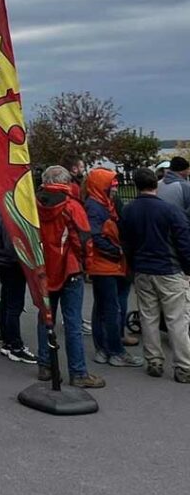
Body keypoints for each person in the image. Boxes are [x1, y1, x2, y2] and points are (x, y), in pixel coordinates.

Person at [35, 166, 105, 388]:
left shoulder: (32, 205)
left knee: (45, 318)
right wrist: (88, 265)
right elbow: (83, 240)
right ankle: (78, 372)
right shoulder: (71, 206)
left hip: (43, 268)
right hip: (68, 267)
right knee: (72, 322)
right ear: (66, 182)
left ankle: (45, 365)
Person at [120, 166, 190, 383]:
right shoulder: (170, 211)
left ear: (136, 185)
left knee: (148, 317)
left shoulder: (128, 211)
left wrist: (133, 265)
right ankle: (183, 366)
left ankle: (154, 360)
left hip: (143, 269)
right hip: (168, 269)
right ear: (155, 185)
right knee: (177, 319)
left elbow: (126, 243)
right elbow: (183, 242)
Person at [84, 168, 138, 369]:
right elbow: (96, 237)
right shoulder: (96, 207)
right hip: (105, 264)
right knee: (111, 308)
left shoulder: (101, 203)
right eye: (112, 185)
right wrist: (119, 251)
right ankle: (115, 352)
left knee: (102, 308)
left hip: (105, 264)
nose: (115, 189)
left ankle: (102, 350)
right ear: (102, 186)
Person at [0, 200, 34, 362]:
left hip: (3, 264)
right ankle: (15, 345)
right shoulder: (5, 219)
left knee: (6, 302)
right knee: (13, 305)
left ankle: (7, 341)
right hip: (12, 264)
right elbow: (12, 247)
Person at [158, 156, 190, 222]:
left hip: (162, 225)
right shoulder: (184, 186)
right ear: (182, 171)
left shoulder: (158, 184)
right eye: (188, 169)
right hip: (180, 227)